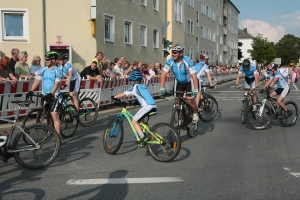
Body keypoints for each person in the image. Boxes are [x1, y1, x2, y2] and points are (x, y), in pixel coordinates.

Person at [113, 71, 156, 146]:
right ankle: (146, 133)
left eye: (131, 81)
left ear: (133, 81)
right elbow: (143, 96)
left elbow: (123, 94)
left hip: (147, 106)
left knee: (134, 121)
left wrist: (114, 97)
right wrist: (135, 102)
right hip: (153, 106)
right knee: (141, 119)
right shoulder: (143, 86)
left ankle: (143, 137)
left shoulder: (134, 87)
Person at [160, 44, 199, 123]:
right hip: (178, 82)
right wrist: (162, 87)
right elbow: (163, 74)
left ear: (181, 53)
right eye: (172, 52)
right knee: (177, 102)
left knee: (189, 100)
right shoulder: (170, 61)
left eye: (175, 52)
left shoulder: (187, 61)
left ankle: (195, 113)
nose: (173, 54)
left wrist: (196, 89)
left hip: (189, 81)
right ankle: (178, 120)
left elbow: (194, 76)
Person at [27, 51, 63, 137]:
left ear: (53, 60)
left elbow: (56, 83)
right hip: (44, 94)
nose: (46, 61)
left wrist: (51, 93)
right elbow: (37, 80)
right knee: (48, 114)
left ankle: (58, 137)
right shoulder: (43, 69)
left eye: (47, 59)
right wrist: (31, 90)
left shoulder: (58, 71)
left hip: (54, 95)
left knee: (55, 115)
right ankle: (51, 129)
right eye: (45, 59)